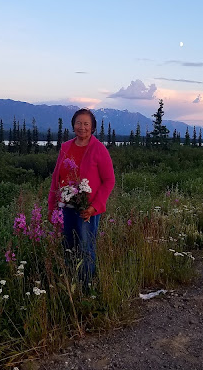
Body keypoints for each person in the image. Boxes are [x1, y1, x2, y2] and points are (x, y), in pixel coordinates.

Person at [48, 108, 115, 288]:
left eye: (86, 124)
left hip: (87, 210)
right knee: (68, 247)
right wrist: (51, 207)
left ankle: (86, 288)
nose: (82, 127)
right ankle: (70, 283)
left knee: (85, 249)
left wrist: (94, 206)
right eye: (78, 123)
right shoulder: (65, 148)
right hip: (65, 208)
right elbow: (56, 179)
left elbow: (109, 180)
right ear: (73, 125)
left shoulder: (98, 149)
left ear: (92, 127)